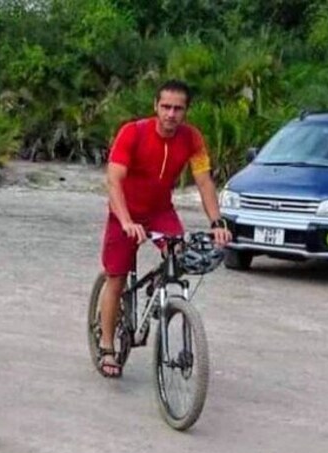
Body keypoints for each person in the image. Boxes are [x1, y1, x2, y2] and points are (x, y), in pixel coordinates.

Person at [97, 79, 231, 377]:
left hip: (160, 212)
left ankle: (163, 294)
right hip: (125, 212)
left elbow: (205, 181)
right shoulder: (132, 132)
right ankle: (107, 345)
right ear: (155, 106)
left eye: (178, 109)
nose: (171, 114)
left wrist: (217, 221)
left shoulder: (192, 138)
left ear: (186, 111)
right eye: (166, 107)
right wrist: (126, 221)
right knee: (116, 279)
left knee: (180, 256)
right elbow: (114, 180)